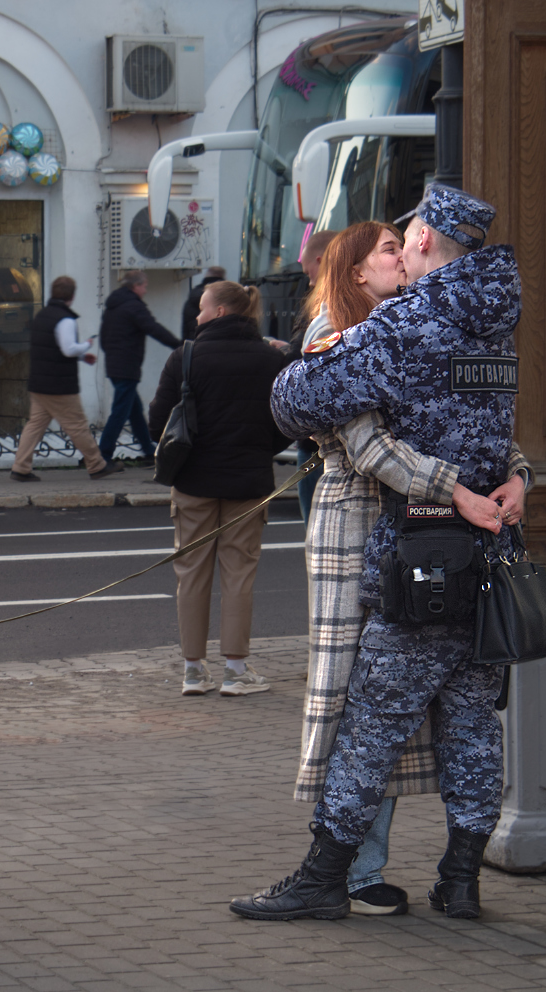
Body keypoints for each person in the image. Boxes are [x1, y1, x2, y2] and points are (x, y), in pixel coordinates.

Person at [234, 185, 525, 922]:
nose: (401, 251)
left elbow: (296, 400)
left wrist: (319, 356)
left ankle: (325, 877)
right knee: (471, 723)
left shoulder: (413, 320)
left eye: (406, 239)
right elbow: (495, 432)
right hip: (492, 557)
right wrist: (519, 478)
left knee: (370, 725)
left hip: (423, 557)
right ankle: (461, 880)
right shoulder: (496, 322)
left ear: (423, 239)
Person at [146, 281, 291, 698]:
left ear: (221, 312)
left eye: (202, 308)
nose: (196, 316)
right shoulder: (270, 359)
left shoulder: (185, 357)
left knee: (190, 575)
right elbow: (286, 422)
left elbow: (158, 423)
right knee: (239, 576)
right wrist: (257, 448)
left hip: (193, 481)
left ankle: (193, 670)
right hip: (248, 483)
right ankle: (235, 670)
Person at [10, 276, 124, 483]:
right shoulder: (65, 319)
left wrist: (81, 357)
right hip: (59, 385)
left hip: (39, 382)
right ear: (72, 296)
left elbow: (53, 348)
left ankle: (20, 467)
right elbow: (68, 348)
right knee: (77, 425)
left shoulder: (42, 315)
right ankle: (97, 465)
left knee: (35, 425)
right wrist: (86, 345)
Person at [98, 270, 181, 463]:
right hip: (127, 366)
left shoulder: (113, 306)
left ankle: (148, 450)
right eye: (144, 286)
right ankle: (103, 454)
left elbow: (103, 339)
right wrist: (179, 345)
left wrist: (113, 355)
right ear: (136, 286)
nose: (145, 290)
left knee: (134, 411)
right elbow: (154, 328)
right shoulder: (134, 306)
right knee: (120, 412)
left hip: (115, 365)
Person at [285, 229, 339, 522]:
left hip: (316, 444)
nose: (309, 281)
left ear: (321, 260)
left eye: (309, 272)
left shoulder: (319, 313)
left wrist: (286, 355)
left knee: (316, 529)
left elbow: (301, 366)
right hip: (328, 442)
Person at [181, 265, 227, 340]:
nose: (198, 317)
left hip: (194, 347)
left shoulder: (192, 297)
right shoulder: (225, 299)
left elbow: (185, 331)